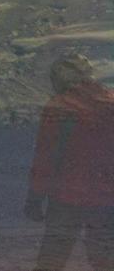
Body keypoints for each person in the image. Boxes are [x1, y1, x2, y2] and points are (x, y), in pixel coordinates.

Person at [25, 54, 114, 271]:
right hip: (106, 196)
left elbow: (46, 156)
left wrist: (35, 196)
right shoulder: (111, 102)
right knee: (105, 257)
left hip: (66, 196)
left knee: (53, 257)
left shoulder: (59, 107)